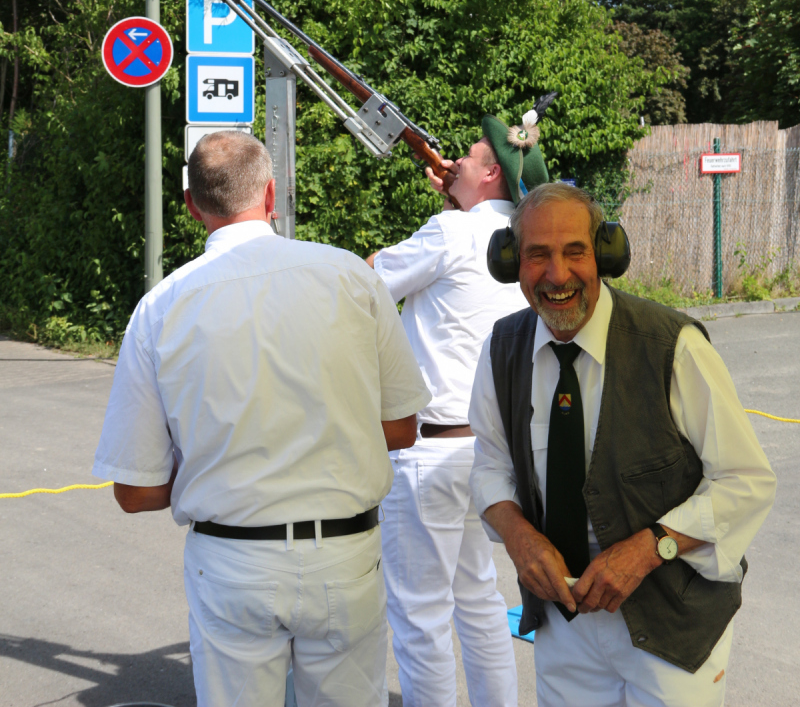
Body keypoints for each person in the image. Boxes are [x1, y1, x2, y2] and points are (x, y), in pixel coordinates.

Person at [92, 130, 431, 707]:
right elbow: (401, 428)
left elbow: (135, 492)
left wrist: (222, 463)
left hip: (231, 562)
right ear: (272, 193)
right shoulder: (350, 275)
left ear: (192, 205)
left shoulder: (161, 307)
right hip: (344, 553)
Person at [469, 181, 777, 707]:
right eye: (537, 255)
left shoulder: (673, 346)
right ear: (511, 262)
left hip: (671, 622)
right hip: (563, 623)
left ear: (605, 255)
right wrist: (519, 538)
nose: (557, 275)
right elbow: (490, 467)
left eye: (575, 252)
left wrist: (650, 548)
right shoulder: (502, 350)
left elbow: (745, 481)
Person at [366, 110, 549, 707]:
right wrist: (454, 198)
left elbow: (368, 282)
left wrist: (445, 212)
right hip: (491, 452)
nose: (454, 163)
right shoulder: (521, 242)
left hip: (431, 449)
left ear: (491, 171)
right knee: (478, 600)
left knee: (419, 615)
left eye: (467, 158)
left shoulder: (450, 232)